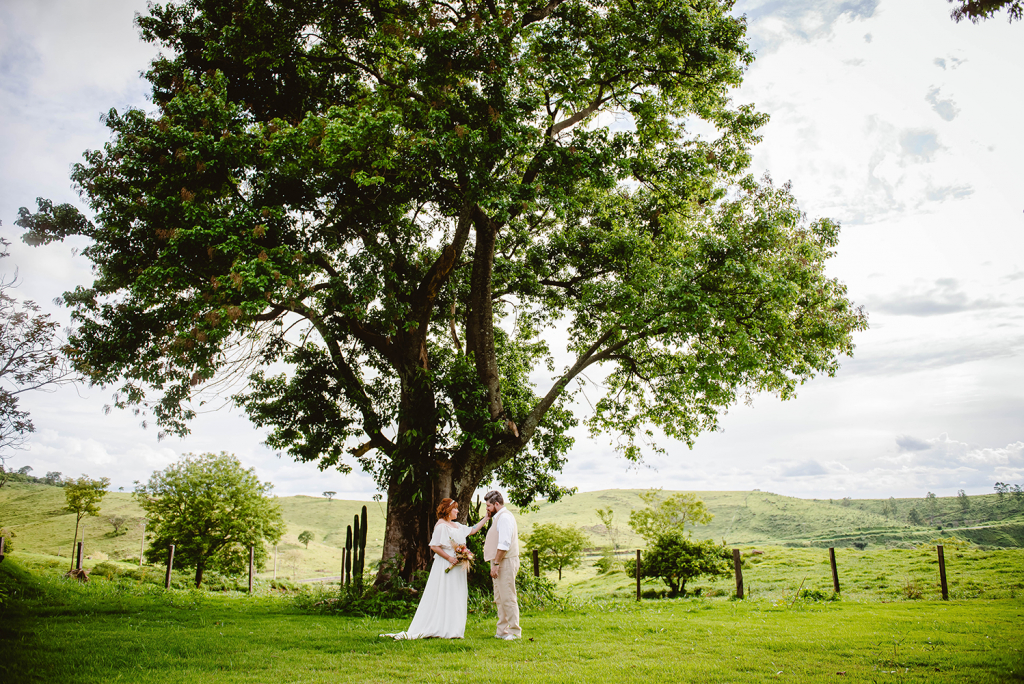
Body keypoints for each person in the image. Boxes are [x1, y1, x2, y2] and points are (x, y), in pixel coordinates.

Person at [382, 498, 488, 639]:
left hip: (458, 567)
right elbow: (434, 546)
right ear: (448, 511)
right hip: (446, 564)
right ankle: (441, 627)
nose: (457, 510)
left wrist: (486, 517)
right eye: (455, 509)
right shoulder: (441, 526)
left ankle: (454, 629)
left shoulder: (456, 525)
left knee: (456, 593)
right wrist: (449, 558)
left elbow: (473, 530)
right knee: (445, 592)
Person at [483, 490, 521, 640]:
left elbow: (504, 544)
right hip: (499, 561)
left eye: (488, 506)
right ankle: (502, 630)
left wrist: (496, 563)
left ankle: (514, 631)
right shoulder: (498, 517)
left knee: (508, 596)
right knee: (499, 597)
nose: (486, 509)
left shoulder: (504, 518)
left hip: (505, 561)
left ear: (496, 504)